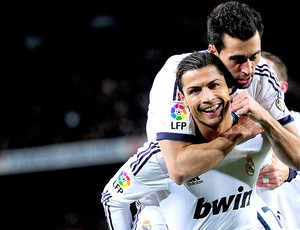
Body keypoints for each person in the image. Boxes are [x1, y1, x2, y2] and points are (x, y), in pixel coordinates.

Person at [139, 1, 299, 229]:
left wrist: (264, 117)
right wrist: (238, 133)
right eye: (237, 59)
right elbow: (179, 169)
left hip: (237, 199)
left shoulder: (262, 75)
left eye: (254, 56)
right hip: (177, 205)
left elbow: (298, 157)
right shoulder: (178, 77)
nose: (248, 69)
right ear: (213, 50)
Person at [101, 52, 298, 229]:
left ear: (230, 88)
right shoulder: (164, 157)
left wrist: (286, 169)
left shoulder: (257, 134)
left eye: (214, 85)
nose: (208, 98)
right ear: (182, 98)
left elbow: (290, 156)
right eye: (195, 90)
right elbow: (112, 197)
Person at [256, 51, 300, 229]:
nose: (258, 84)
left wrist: (291, 171)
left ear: (281, 87)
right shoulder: (233, 127)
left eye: (267, 78)